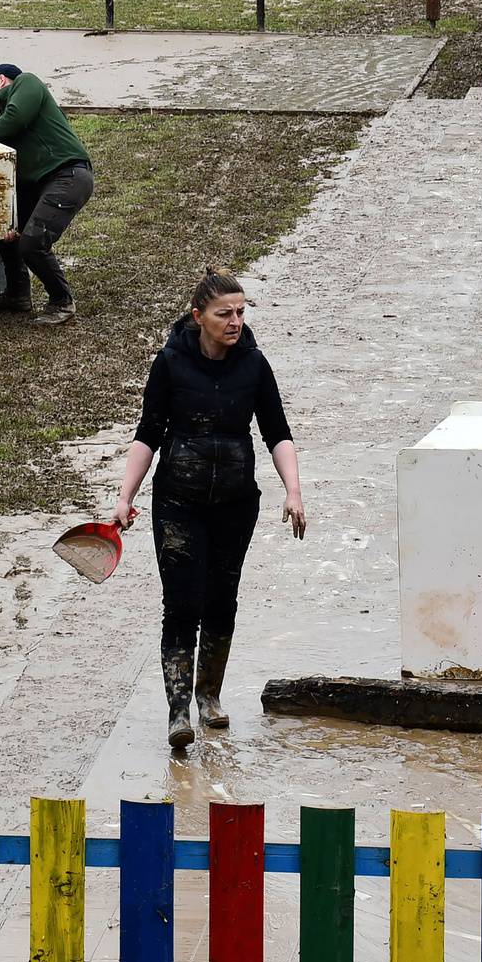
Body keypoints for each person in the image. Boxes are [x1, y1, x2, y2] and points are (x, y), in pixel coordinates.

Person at [112, 269, 306, 750]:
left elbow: (277, 433)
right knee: (181, 605)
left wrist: (294, 492)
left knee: (222, 601)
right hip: (178, 503)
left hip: (236, 504)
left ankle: (209, 699)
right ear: (198, 317)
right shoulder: (171, 364)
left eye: (241, 312)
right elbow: (148, 434)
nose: (235, 321)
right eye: (225, 313)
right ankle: (178, 710)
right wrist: (125, 496)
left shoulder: (254, 366)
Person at [0, 64, 94, 326]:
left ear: (2, 80)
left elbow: (15, 115)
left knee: (32, 243)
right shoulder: (11, 127)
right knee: (5, 227)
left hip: (68, 175)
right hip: (43, 183)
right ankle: (17, 295)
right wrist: (16, 219)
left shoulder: (27, 82)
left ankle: (62, 301)